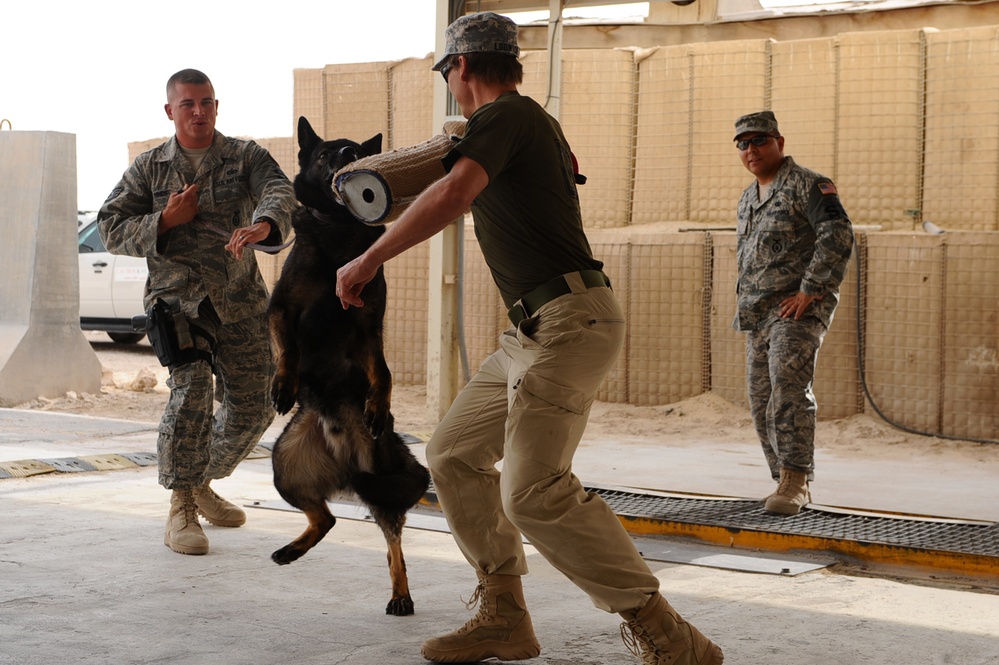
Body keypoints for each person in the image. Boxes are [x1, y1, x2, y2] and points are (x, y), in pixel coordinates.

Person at [336, 12, 723, 665]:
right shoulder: (505, 130)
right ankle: (503, 615)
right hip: (531, 328)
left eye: (450, 77)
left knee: (532, 489)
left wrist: (368, 258)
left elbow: (454, 192)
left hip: (571, 318)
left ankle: (668, 635)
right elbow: (440, 179)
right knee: (454, 452)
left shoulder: (510, 117)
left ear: (459, 68)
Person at [98, 68, 297, 555]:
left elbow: (279, 190)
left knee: (256, 403)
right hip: (177, 300)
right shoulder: (150, 168)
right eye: (188, 104)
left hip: (240, 299)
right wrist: (166, 219)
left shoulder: (243, 156)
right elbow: (110, 225)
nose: (199, 111)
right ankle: (181, 506)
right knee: (191, 395)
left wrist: (264, 225)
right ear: (170, 110)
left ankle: (200, 480)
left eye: (206, 102)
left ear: (216, 106)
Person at [732, 111, 854, 516]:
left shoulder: (808, 184)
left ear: (779, 142)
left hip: (796, 311)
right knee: (760, 398)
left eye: (760, 141)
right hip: (758, 313)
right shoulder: (749, 197)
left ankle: (796, 481)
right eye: (743, 144)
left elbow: (837, 235)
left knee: (787, 390)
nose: (752, 150)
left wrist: (811, 290)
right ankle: (780, 478)